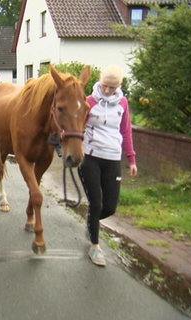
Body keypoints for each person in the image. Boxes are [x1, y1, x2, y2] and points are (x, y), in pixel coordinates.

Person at [79, 65, 138, 267]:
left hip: (113, 158)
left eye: (111, 87)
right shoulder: (89, 101)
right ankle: (95, 247)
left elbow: (126, 131)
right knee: (96, 203)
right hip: (90, 157)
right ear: (99, 82)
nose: (106, 91)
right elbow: (76, 126)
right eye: (104, 86)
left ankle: (91, 222)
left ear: (118, 86)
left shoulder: (122, 103)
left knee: (109, 207)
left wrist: (131, 159)